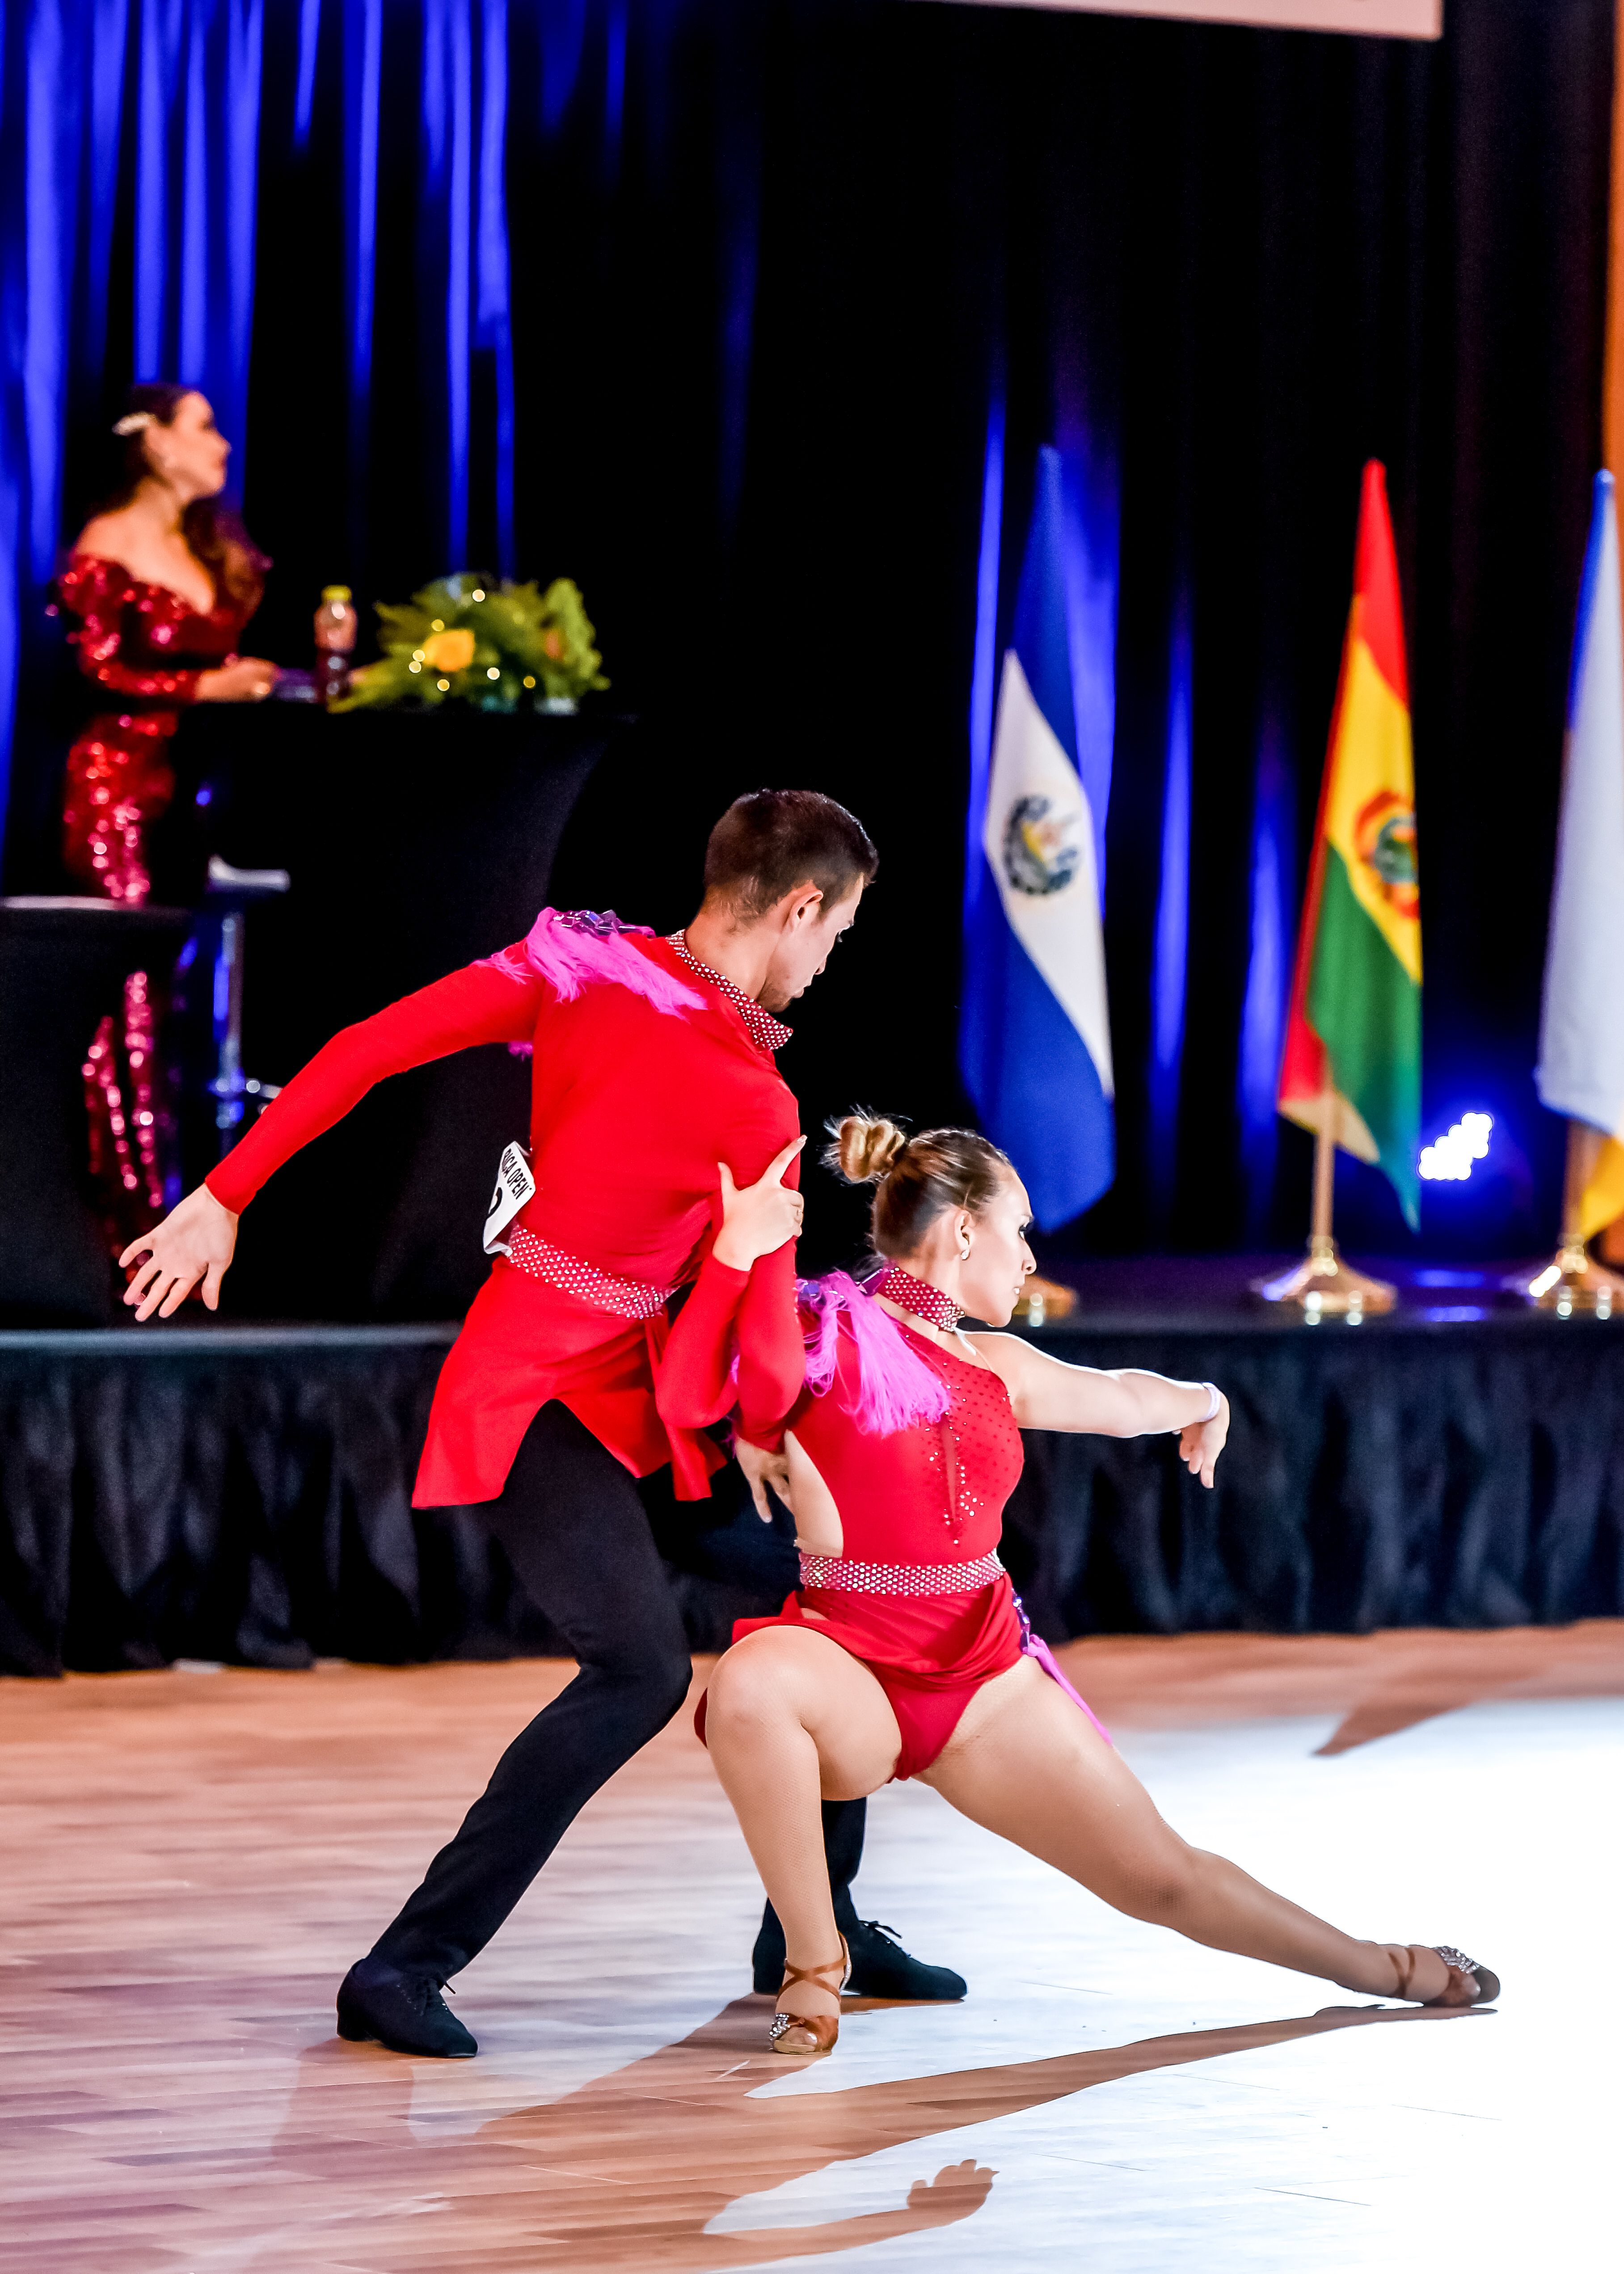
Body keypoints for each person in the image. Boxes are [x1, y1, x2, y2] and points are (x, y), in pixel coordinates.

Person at [118, 791, 966, 2057]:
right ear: (801, 906)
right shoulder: (749, 1101)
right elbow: (758, 1358)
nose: (828, 959)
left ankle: (815, 1923)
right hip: (533, 1393)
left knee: (831, 1595)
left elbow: (363, 1046)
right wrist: (791, 1392)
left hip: (636, 1393)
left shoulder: (584, 968)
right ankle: (398, 1968)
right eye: (836, 932)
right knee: (639, 1669)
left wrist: (224, 1194)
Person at [658, 1114, 1501, 2058]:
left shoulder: (997, 1365)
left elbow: (1122, 1395)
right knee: (752, 1680)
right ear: (965, 1228)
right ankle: (813, 1964)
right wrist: (738, 1288)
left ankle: (1380, 1967)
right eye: (1018, 1229)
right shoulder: (822, 1328)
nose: (1028, 1258)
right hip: (852, 1671)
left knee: (1164, 1879)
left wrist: (1206, 1399)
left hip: (983, 1679)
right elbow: (700, 1391)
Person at [57, 383, 276, 1245]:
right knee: (129, 997)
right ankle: (125, 1212)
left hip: (193, 790)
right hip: (117, 786)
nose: (222, 445)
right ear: (155, 443)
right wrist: (206, 686)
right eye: (204, 427)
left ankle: (185, 1205)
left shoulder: (206, 546)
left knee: (190, 992)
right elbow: (96, 671)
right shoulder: (110, 542)